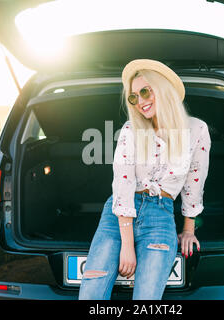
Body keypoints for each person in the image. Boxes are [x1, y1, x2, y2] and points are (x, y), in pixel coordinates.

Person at [78, 59, 211, 300]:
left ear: (163, 89)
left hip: (160, 216)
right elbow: (123, 182)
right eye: (133, 97)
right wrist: (127, 247)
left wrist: (189, 229)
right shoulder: (131, 130)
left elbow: (195, 181)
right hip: (118, 216)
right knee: (91, 295)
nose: (140, 101)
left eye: (145, 91)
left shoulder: (197, 130)